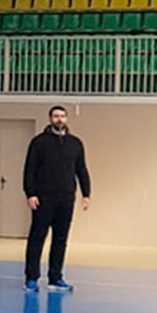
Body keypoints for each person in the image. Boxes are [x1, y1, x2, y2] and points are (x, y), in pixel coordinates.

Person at [23, 106, 91, 293]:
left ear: (66, 119)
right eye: (55, 116)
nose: (59, 119)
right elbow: (29, 170)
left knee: (60, 239)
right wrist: (30, 193)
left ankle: (55, 277)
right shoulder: (39, 142)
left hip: (66, 198)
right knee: (37, 238)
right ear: (50, 119)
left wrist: (86, 194)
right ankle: (31, 278)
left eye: (62, 116)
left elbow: (81, 170)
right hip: (43, 198)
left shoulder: (75, 143)